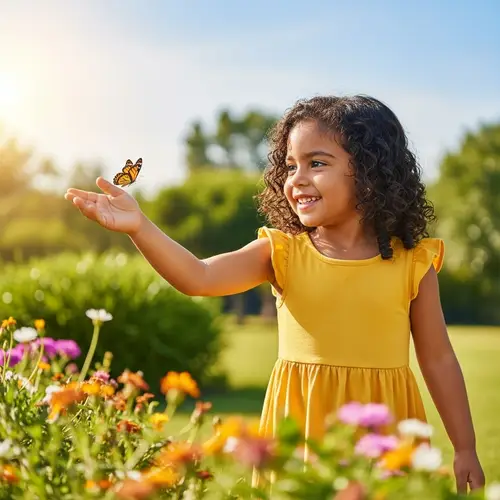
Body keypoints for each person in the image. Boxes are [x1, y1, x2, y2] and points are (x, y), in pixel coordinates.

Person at [64, 95, 484, 493]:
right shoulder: (281, 252)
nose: (297, 180)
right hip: (298, 429)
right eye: (290, 166)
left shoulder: (412, 261)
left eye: (316, 163)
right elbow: (198, 276)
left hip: (384, 432)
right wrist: (140, 226)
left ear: (372, 172)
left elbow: (438, 358)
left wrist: (464, 447)